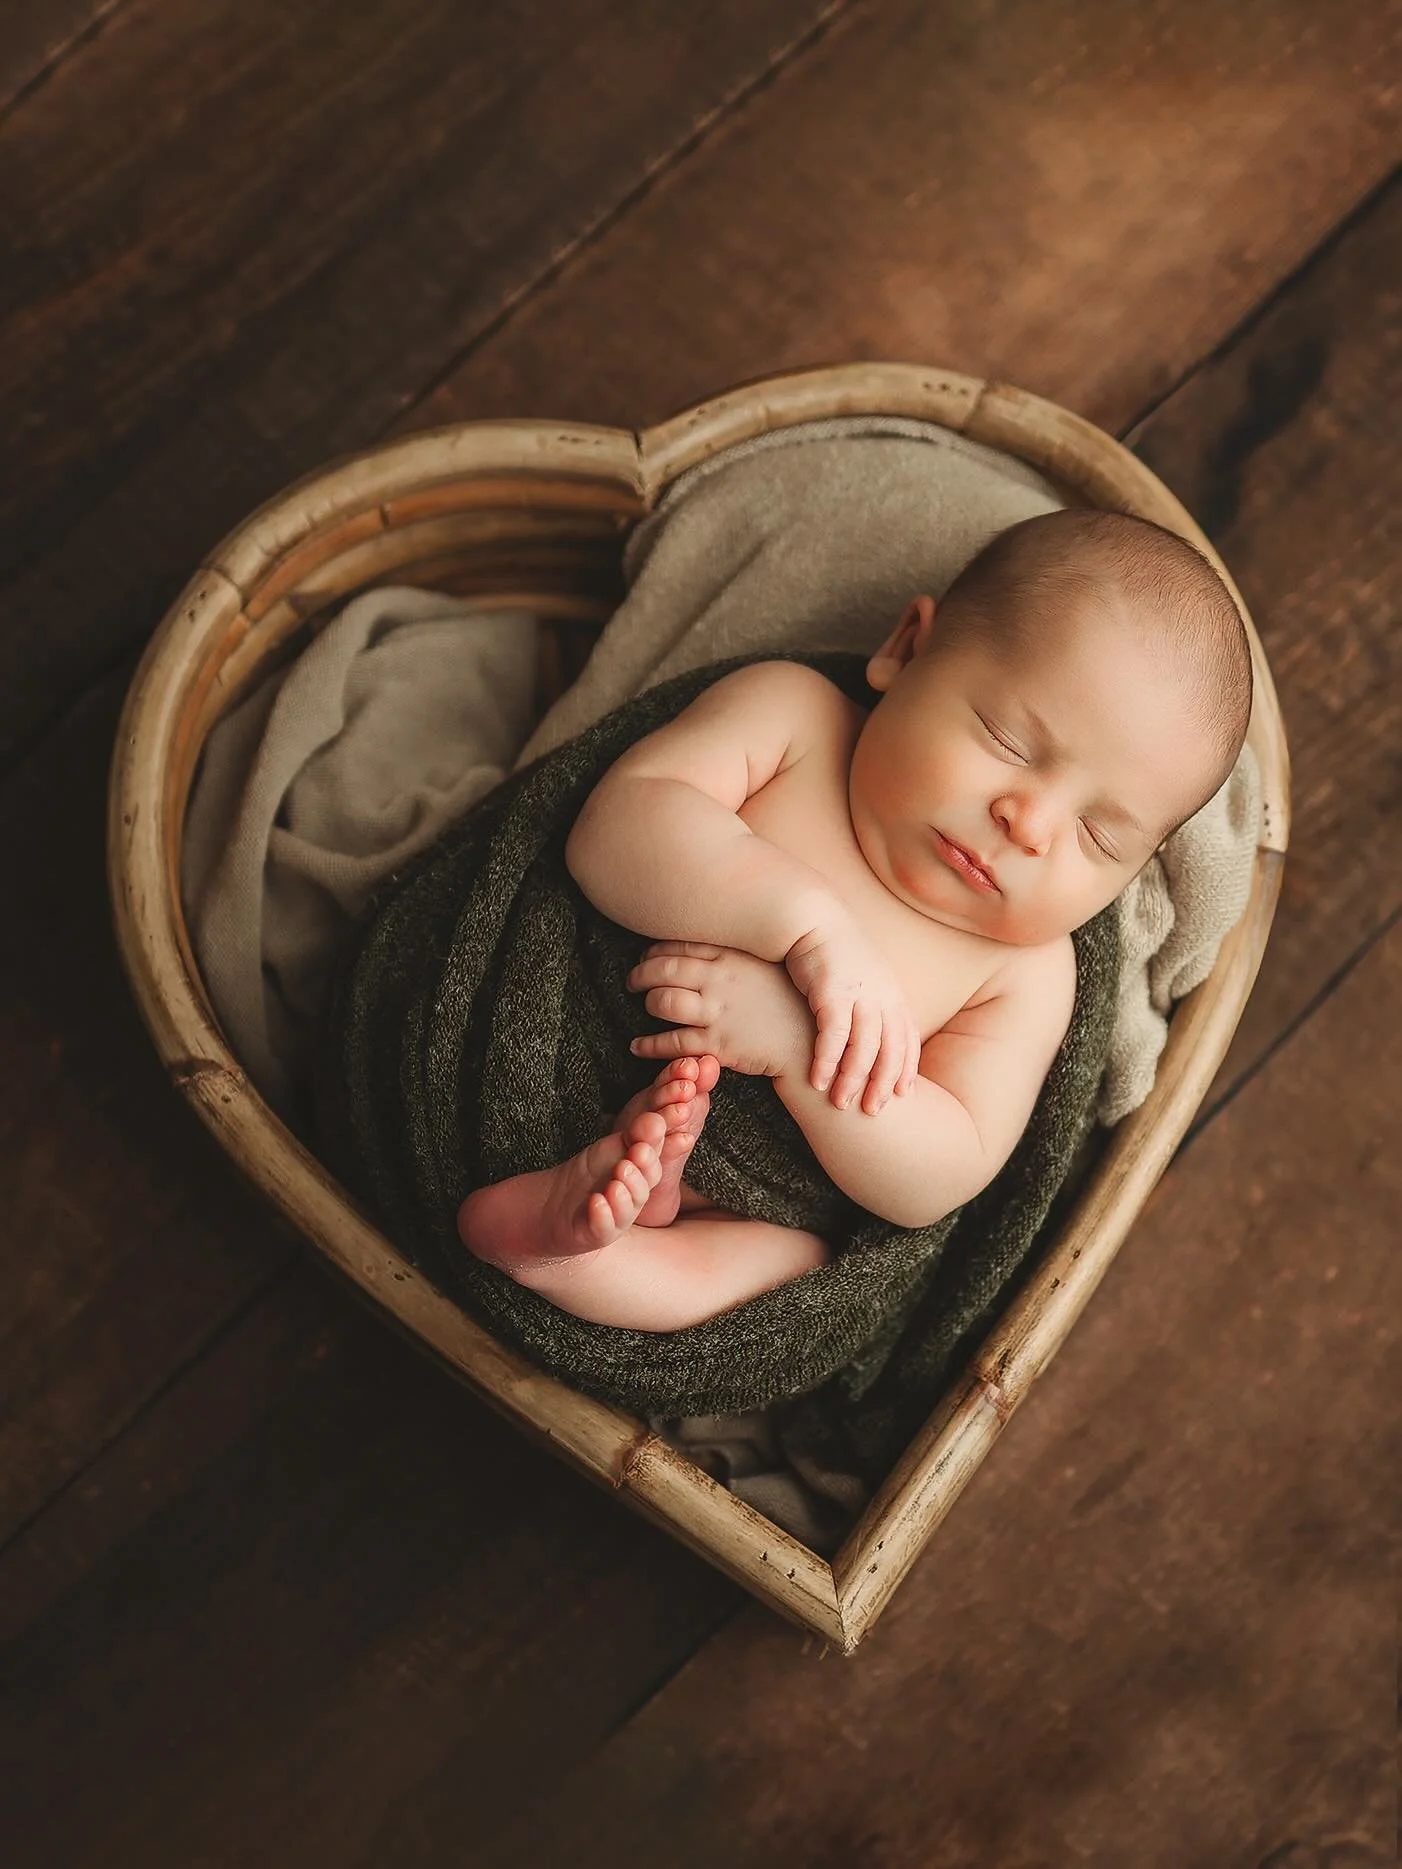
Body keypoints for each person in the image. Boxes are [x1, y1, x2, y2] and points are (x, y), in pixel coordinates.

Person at [456, 510, 1252, 1331]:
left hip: (747, 1198)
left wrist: (798, 1048)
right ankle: (567, 1177)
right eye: (1009, 741)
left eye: (1098, 836)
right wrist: (804, 924)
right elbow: (614, 830)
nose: (1030, 825)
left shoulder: (1025, 973)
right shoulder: (793, 719)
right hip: (565, 1046)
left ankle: (565, 1250)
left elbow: (943, 1169)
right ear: (906, 649)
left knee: (792, 1266)